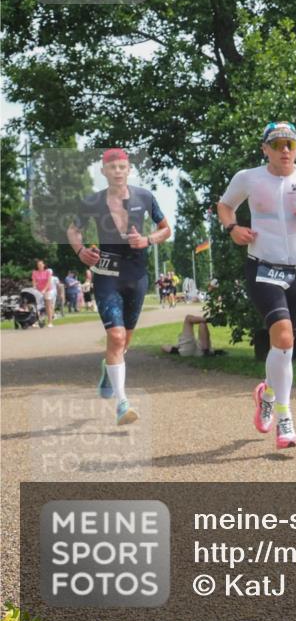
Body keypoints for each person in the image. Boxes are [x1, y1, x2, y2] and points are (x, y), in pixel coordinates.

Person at [217, 121, 296, 449]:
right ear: (265, 149)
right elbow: (224, 205)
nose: (285, 150)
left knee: (284, 347)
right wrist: (233, 228)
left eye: (290, 144)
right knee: (283, 336)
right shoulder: (249, 178)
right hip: (264, 268)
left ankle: (267, 393)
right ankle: (285, 419)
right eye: (277, 144)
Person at [67, 148, 172, 426]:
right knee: (115, 337)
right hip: (107, 271)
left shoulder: (145, 197)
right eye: (111, 167)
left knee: (125, 340)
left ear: (128, 170)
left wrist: (148, 240)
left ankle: (109, 367)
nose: (117, 171)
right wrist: (80, 252)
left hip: (136, 273)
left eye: (122, 166)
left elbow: (166, 228)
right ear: (103, 171)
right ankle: (122, 402)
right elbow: (73, 230)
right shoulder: (91, 201)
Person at [31, 260, 55, 327]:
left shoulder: (48, 272)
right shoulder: (34, 272)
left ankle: (50, 322)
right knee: (36, 307)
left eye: (41, 264)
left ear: (44, 265)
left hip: (47, 290)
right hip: (38, 291)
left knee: (48, 306)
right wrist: (34, 288)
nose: (39, 266)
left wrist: (44, 290)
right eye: (38, 265)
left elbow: (48, 282)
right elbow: (34, 281)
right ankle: (36, 321)